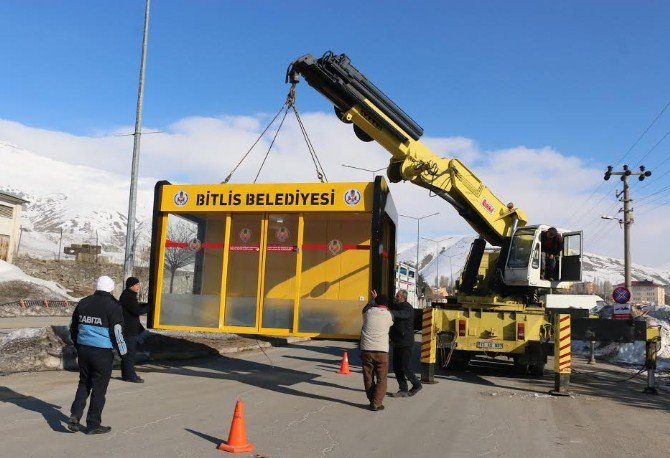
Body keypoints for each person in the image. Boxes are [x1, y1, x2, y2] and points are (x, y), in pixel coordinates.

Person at [68, 275, 127, 435]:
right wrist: (123, 352)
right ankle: (93, 424)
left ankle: (75, 415)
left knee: (84, 382)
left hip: (84, 349)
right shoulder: (113, 305)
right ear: (110, 289)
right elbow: (117, 331)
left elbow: (73, 327)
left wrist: (78, 344)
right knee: (99, 389)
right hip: (102, 352)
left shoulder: (84, 302)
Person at [360, 292, 394, 412]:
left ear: (376, 303)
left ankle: (371, 400)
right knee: (382, 378)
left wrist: (373, 300)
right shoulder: (389, 315)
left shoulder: (368, 313)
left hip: (366, 350)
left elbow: (365, 308)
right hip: (381, 351)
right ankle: (377, 403)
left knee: (368, 376)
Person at [389, 289, 422, 397]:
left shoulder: (407, 308)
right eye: (396, 295)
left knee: (405, 367)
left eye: (397, 296)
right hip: (397, 341)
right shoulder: (395, 306)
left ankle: (416, 384)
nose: (396, 297)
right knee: (397, 367)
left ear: (403, 297)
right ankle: (403, 389)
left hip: (406, 342)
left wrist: (391, 312)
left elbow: (402, 315)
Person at [119, 277, 148, 383]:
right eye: (137, 284)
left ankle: (126, 375)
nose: (138, 286)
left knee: (127, 353)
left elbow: (134, 307)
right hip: (129, 331)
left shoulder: (128, 295)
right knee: (129, 354)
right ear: (131, 285)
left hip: (128, 329)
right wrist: (150, 307)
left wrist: (144, 305)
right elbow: (136, 311)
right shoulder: (128, 297)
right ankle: (131, 376)